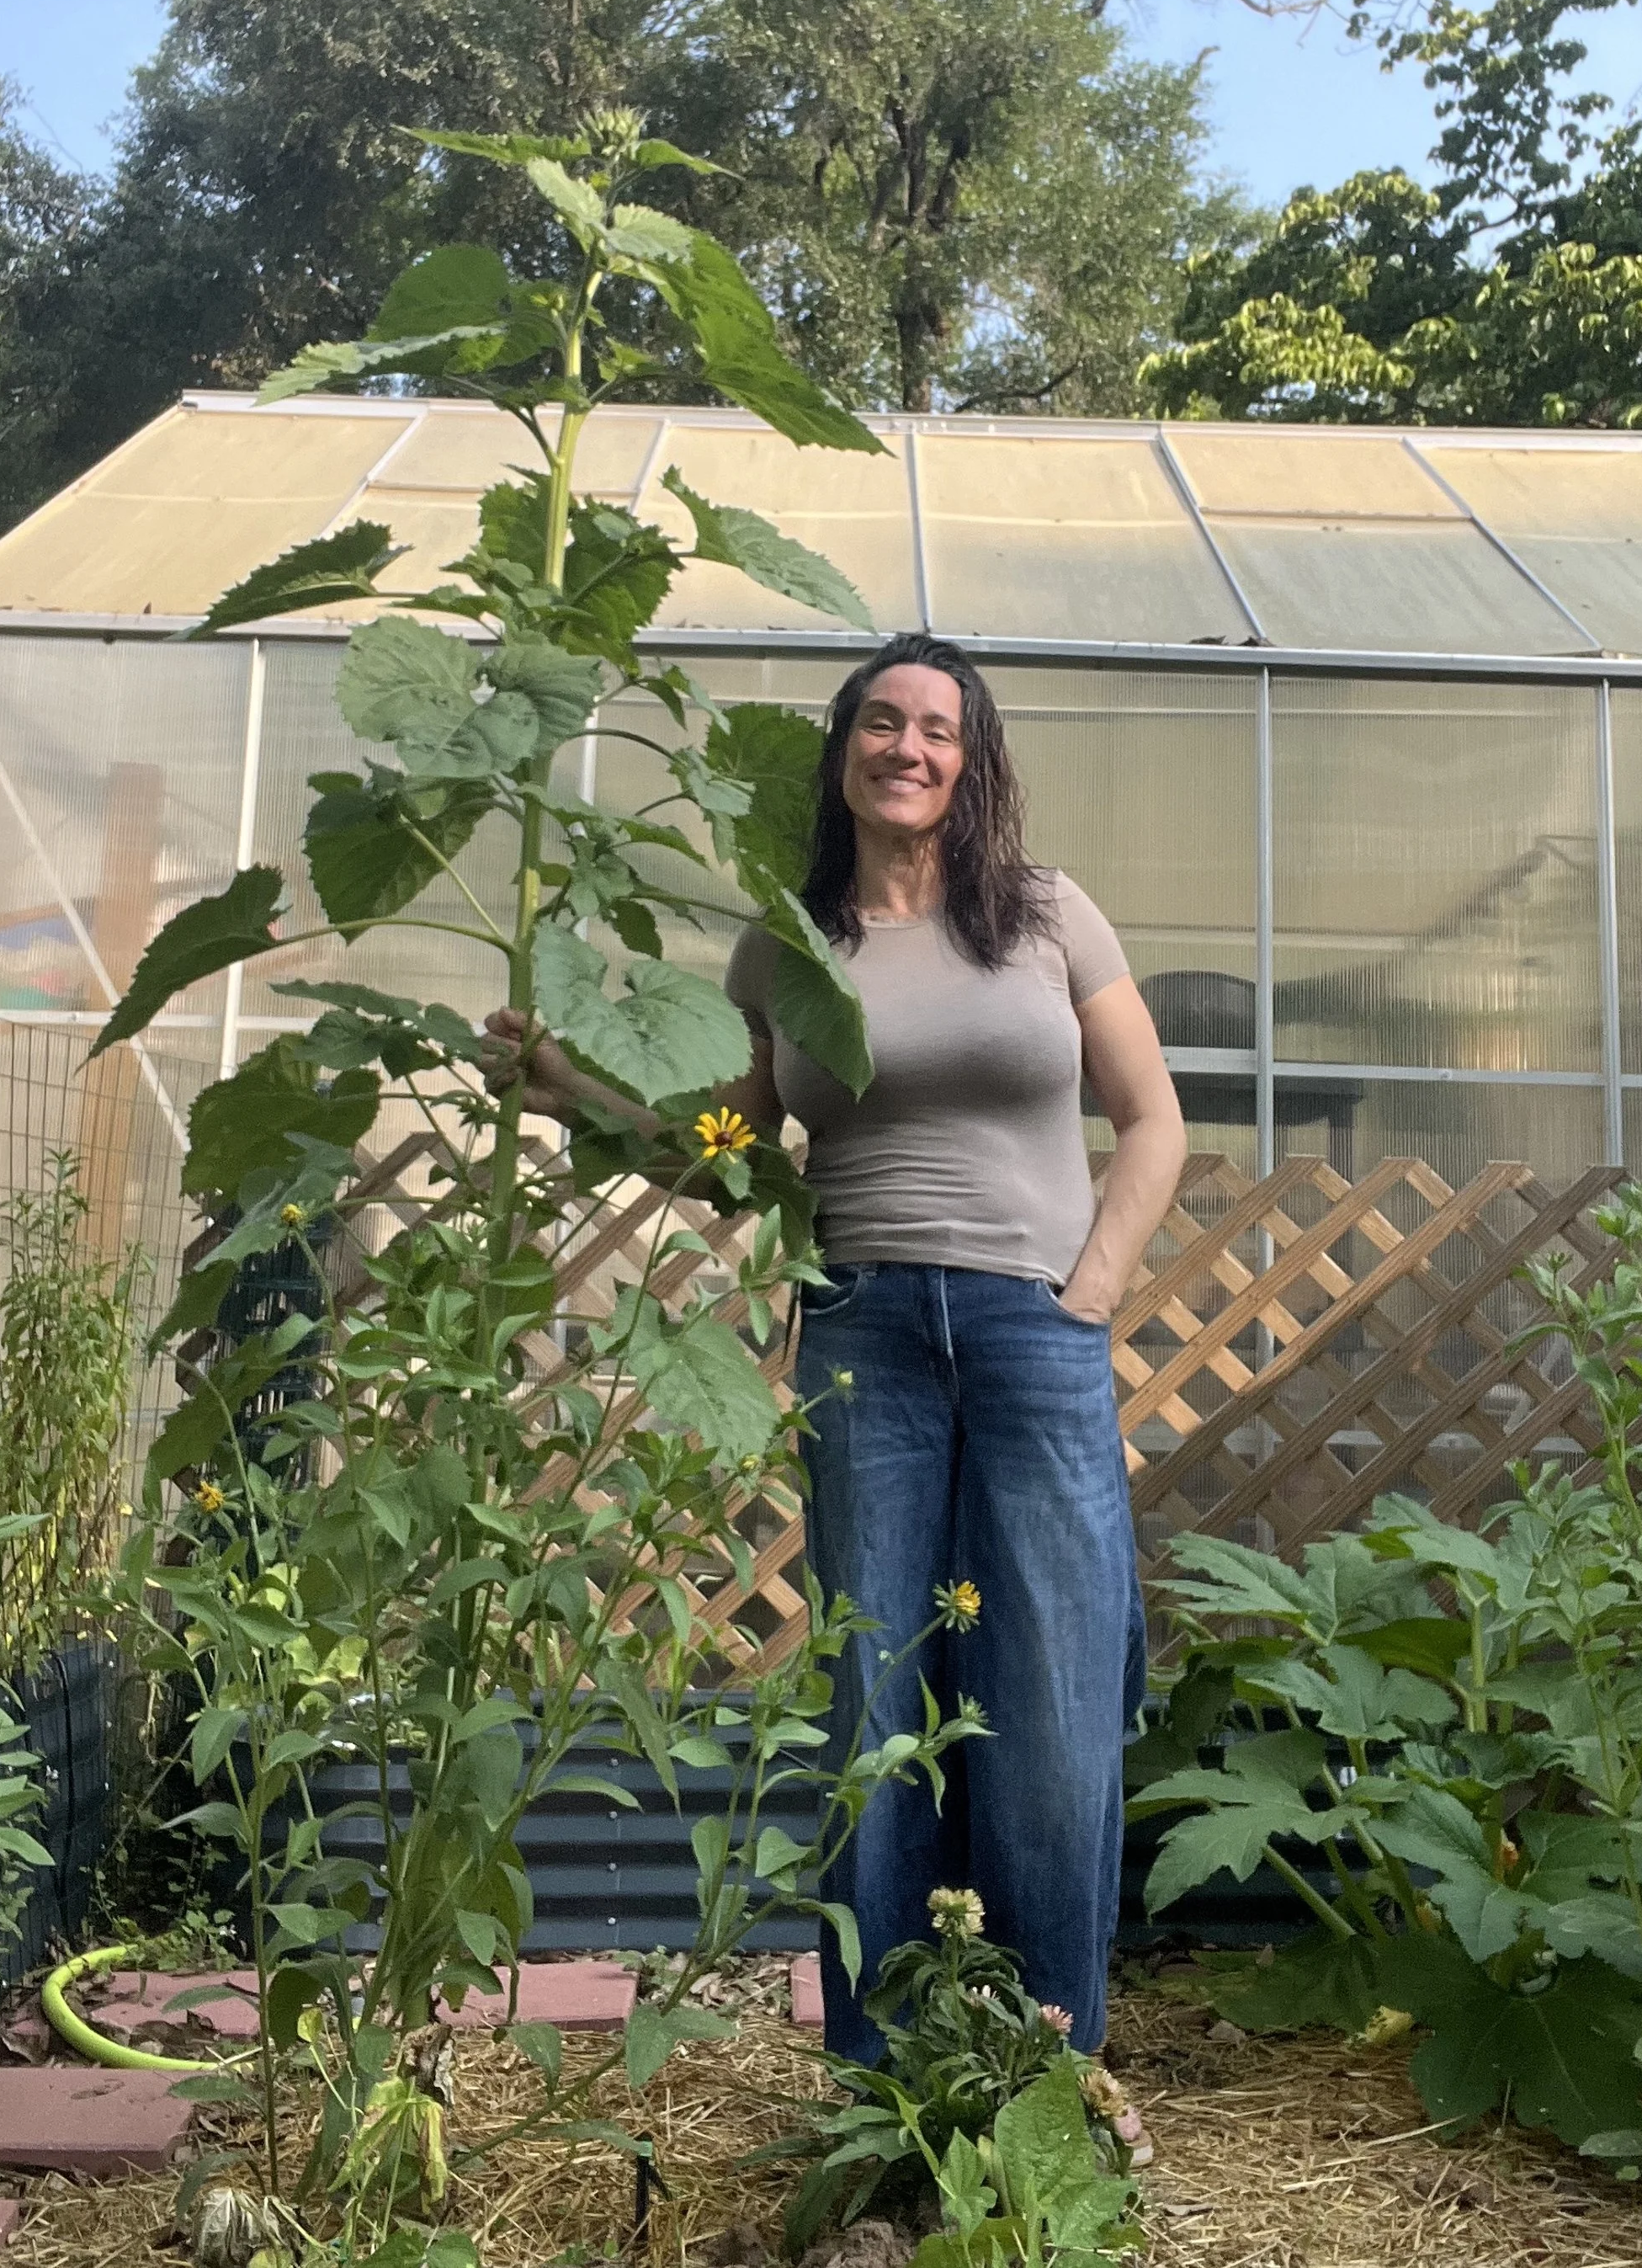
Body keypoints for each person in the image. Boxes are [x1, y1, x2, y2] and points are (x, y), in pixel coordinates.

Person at [486, 631, 1187, 2063]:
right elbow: (730, 1155)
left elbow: (1154, 1118)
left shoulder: (1049, 916)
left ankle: (1044, 2059)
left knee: (1047, 1699)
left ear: (973, 760)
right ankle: (884, 2072)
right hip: (864, 1326)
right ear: (845, 752)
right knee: (877, 1695)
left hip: (1029, 1333)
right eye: (883, 722)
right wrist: (569, 1089)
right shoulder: (791, 943)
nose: (909, 747)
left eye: (939, 728)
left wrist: (1090, 1291)